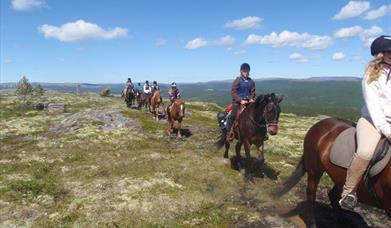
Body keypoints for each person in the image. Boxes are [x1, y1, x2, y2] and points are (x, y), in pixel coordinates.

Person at [339, 35, 391, 211]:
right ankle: (349, 192)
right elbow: (374, 108)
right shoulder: (371, 76)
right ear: (379, 54)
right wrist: (387, 131)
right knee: (365, 151)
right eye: (388, 52)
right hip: (373, 121)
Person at [224, 63, 256, 141]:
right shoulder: (237, 80)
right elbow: (233, 92)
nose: (246, 73)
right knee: (233, 115)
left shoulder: (251, 81)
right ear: (241, 71)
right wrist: (240, 100)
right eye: (245, 71)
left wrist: (251, 98)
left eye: (247, 71)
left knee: (258, 113)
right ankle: (228, 132)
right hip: (238, 102)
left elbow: (253, 92)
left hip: (248, 102)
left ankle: (261, 131)